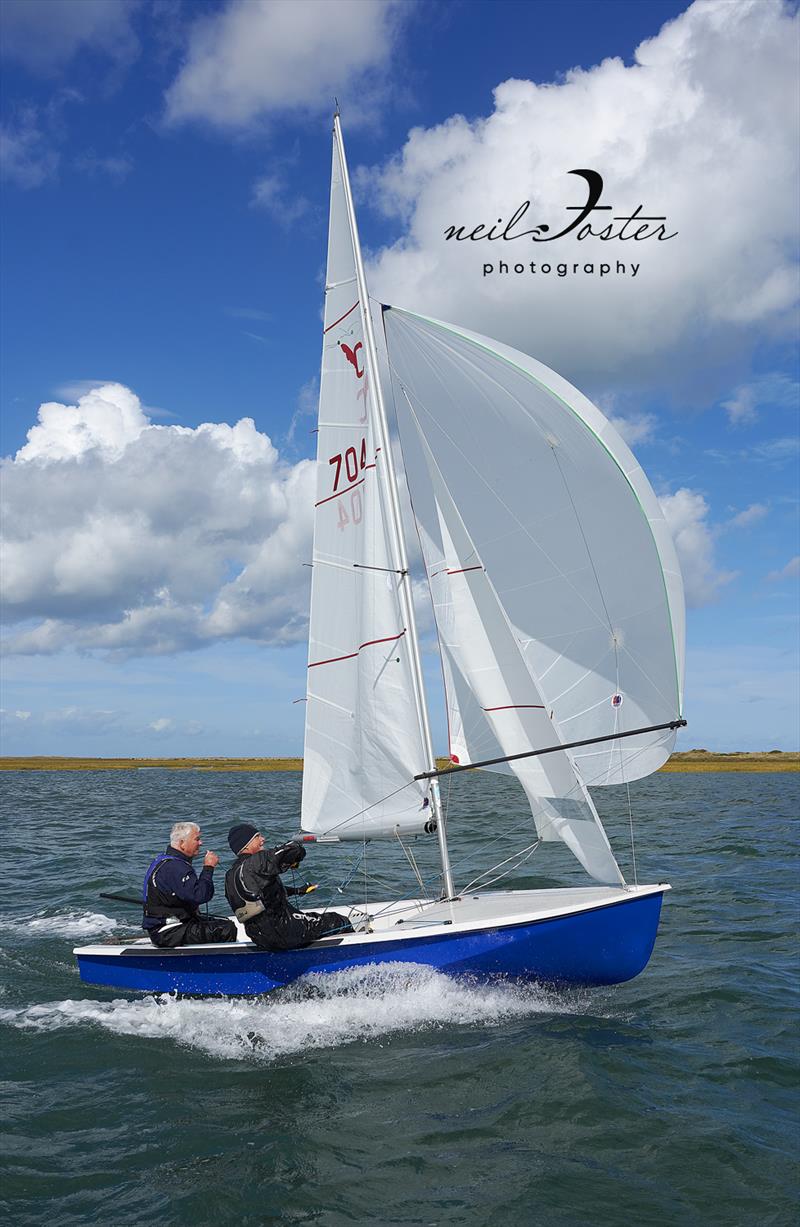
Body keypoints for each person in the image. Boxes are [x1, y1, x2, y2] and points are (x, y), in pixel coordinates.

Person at [225, 823, 353, 951]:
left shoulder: (230, 875)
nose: (263, 839)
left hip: (260, 938)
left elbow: (264, 896)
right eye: (257, 836)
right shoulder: (256, 862)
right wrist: (294, 855)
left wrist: (298, 891)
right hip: (284, 929)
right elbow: (292, 849)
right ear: (246, 844)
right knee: (338, 920)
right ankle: (350, 955)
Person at [142, 821, 237, 947]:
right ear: (182, 843)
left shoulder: (165, 861)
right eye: (197, 839)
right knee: (226, 929)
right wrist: (208, 868)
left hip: (169, 925)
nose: (200, 843)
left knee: (222, 921)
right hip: (168, 932)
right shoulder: (175, 867)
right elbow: (201, 895)